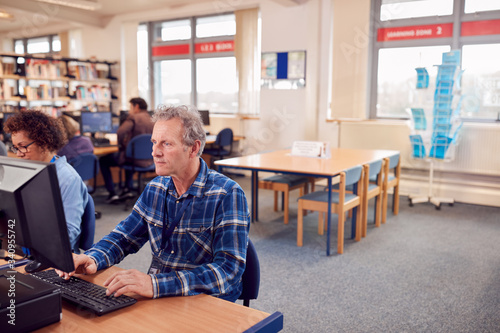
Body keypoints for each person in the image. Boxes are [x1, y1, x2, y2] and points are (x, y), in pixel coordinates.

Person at [57, 105, 250, 302]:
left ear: (193, 148)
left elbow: (228, 271)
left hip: (206, 301)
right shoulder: (156, 188)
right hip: (161, 294)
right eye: (154, 142)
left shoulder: (227, 194)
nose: (155, 152)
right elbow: (124, 237)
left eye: (166, 144)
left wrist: (155, 284)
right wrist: (93, 258)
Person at [3, 110, 89, 250]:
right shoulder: (29, 172)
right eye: (15, 148)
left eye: (23, 146)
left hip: (53, 259)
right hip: (26, 252)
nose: (18, 154)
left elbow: (69, 234)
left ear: (44, 142)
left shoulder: (67, 179)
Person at [100, 97, 154, 203]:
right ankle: (127, 188)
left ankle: (112, 193)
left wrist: (122, 146)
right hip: (149, 160)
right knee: (130, 156)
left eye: (130, 107)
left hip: (133, 159)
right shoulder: (152, 119)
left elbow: (120, 132)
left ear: (136, 106)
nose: (130, 110)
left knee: (103, 160)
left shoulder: (133, 117)